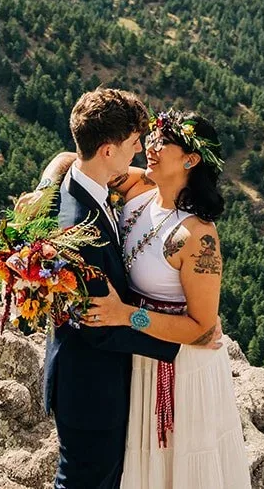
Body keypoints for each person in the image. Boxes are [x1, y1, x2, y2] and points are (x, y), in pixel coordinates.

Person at [36, 109, 250, 489]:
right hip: (134, 359)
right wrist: (43, 192)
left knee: (178, 469)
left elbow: (201, 328)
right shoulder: (139, 190)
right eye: (150, 136)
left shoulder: (198, 236)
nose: (150, 146)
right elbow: (76, 161)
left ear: (190, 159)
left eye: (163, 141)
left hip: (177, 367)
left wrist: (126, 315)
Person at [41, 88, 181, 489]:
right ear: (106, 150)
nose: (139, 152)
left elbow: (63, 160)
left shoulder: (74, 183)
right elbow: (97, 323)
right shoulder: (79, 228)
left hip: (83, 377)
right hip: (89, 386)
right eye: (134, 144)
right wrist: (175, 343)